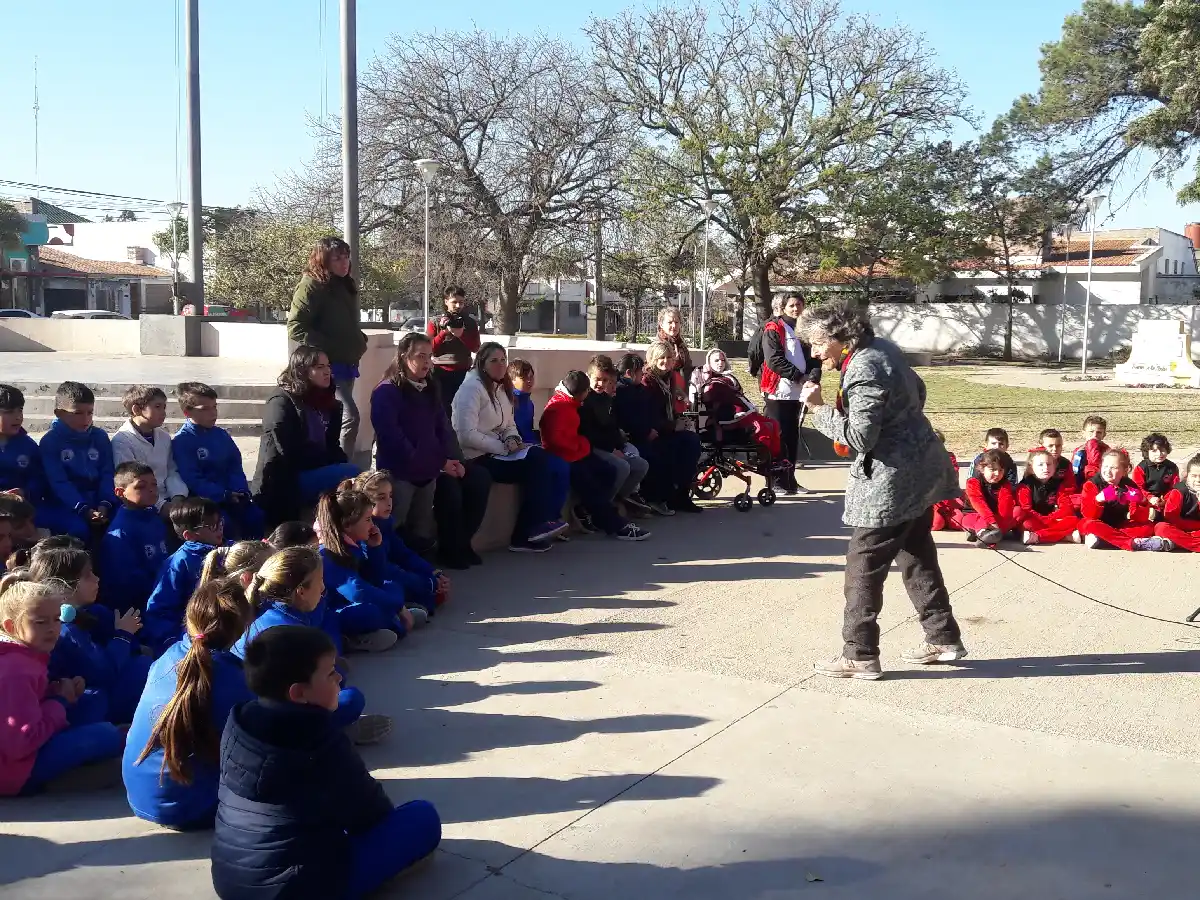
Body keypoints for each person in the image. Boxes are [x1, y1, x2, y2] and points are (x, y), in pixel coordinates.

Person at [798, 301, 966, 680]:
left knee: (863, 566)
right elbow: (919, 391)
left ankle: (859, 654)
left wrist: (819, 408)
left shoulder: (863, 366)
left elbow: (860, 436)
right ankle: (943, 638)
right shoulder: (884, 348)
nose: (815, 352)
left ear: (840, 337)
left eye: (818, 342)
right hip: (921, 469)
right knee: (916, 554)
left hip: (893, 482)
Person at [210, 626, 441, 900]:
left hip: (229, 879)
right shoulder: (321, 745)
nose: (339, 678)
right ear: (298, 693)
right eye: (330, 673)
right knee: (423, 817)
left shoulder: (238, 724)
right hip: (300, 888)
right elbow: (374, 816)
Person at [123, 579, 255, 829]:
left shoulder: (168, 656)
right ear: (243, 626)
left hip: (141, 797)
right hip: (191, 808)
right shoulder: (233, 678)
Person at [233, 546, 391, 746]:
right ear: (300, 591)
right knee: (351, 698)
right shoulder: (293, 635)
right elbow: (310, 692)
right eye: (320, 582)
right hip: (271, 723)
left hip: (255, 712)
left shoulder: (273, 611)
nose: (324, 589)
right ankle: (334, 736)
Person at [371, 332, 490, 568]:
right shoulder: (386, 392)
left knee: (421, 533)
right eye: (420, 356)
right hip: (400, 473)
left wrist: (454, 460)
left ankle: (423, 574)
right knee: (393, 528)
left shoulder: (430, 388)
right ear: (404, 357)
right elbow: (394, 440)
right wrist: (438, 463)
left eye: (430, 356)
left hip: (428, 474)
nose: (427, 362)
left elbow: (443, 429)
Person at [0, 573, 124, 796]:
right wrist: (59, 701)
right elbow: (19, 743)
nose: (52, 628)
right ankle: (53, 780)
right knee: (106, 735)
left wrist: (55, 691)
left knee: (93, 699)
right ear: (10, 626)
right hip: (13, 771)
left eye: (56, 619)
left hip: (27, 747)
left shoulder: (27, 655)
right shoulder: (15, 670)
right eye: (40, 622)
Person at [452, 342, 569, 552]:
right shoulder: (471, 389)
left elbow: (509, 424)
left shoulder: (502, 388)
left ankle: (533, 527)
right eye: (494, 361)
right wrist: (502, 447)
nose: (500, 365)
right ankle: (527, 531)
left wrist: (512, 439)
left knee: (539, 457)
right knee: (536, 462)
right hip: (476, 457)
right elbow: (465, 435)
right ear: (482, 363)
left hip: (498, 453)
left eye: (503, 360)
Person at [35, 546, 152, 725]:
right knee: (142, 669)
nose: (97, 579)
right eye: (88, 575)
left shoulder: (89, 612)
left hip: (94, 691)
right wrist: (123, 635)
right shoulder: (65, 629)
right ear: (64, 587)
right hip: (77, 706)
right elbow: (104, 673)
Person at [253, 346, 359, 529]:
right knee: (353, 473)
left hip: (316, 468)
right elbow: (285, 451)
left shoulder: (330, 404)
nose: (327, 371)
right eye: (319, 367)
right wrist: (331, 466)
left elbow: (332, 446)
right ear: (303, 371)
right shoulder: (281, 401)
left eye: (328, 366)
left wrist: (338, 463)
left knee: (358, 479)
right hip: (286, 478)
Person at [541, 370, 651, 542]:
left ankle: (593, 511)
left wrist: (581, 446)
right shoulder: (559, 408)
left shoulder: (572, 403)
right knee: (589, 482)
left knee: (609, 471)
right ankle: (614, 523)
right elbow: (556, 440)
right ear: (582, 392)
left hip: (576, 453)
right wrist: (581, 446)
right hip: (564, 457)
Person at [286, 236, 368, 461]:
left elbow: (345, 323)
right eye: (337, 259)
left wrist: (358, 340)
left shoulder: (344, 284)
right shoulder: (312, 284)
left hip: (348, 364)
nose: (344, 263)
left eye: (346, 257)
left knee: (338, 419)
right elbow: (295, 326)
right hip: (326, 367)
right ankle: (343, 471)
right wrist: (326, 350)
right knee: (350, 417)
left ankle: (340, 468)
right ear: (323, 260)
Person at [317, 485, 417, 651]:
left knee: (392, 585)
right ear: (347, 525)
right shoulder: (327, 554)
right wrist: (398, 606)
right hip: (334, 612)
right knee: (370, 612)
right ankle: (352, 639)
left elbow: (375, 579)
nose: (372, 525)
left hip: (351, 603)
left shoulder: (355, 544)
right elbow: (357, 592)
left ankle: (394, 619)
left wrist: (375, 549)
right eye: (367, 519)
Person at [173, 382, 265, 540]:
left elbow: (234, 465)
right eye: (205, 409)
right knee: (223, 524)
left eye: (214, 407)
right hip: (207, 501)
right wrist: (223, 495)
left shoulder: (221, 435)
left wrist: (240, 490)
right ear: (187, 412)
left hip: (233, 494)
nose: (213, 413)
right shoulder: (183, 441)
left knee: (256, 516)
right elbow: (193, 478)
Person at [354, 470, 448, 613]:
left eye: (390, 496)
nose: (389, 502)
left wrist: (432, 573)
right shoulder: (363, 532)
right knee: (398, 588)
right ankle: (403, 609)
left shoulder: (385, 524)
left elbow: (403, 554)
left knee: (432, 585)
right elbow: (381, 571)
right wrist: (427, 583)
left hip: (387, 575)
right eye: (381, 497)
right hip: (374, 581)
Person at [143, 498, 226, 655]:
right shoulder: (178, 563)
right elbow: (159, 609)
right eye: (212, 526)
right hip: (194, 637)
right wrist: (173, 643)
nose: (219, 529)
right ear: (189, 535)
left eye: (220, 522)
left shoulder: (229, 550)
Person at [759, 292, 822, 495]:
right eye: (792, 305)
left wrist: (812, 377)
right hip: (778, 392)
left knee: (792, 437)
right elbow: (774, 360)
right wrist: (799, 376)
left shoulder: (805, 330)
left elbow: (815, 359)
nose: (796, 309)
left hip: (799, 393)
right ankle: (775, 480)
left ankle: (790, 480)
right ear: (784, 307)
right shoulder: (773, 328)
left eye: (799, 305)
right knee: (778, 437)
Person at [630, 342, 704, 515]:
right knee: (669, 449)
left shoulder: (669, 377)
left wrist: (679, 421)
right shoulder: (647, 380)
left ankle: (682, 495)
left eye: (669, 357)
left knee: (692, 442)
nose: (665, 361)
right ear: (653, 359)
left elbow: (669, 409)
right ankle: (662, 497)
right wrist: (672, 426)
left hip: (667, 427)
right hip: (652, 431)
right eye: (661, 358)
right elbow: (648, 413)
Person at [37, 381, 116, 541]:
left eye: (90, 412)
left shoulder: (99, 437)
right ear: (59, 413)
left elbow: (107, 472)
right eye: (78, 413)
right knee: (79, 530)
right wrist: (83, 509)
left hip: (99, 501)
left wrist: (104, 503)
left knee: (125, 522)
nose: (86, 419)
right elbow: (59, 482)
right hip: (65, 505)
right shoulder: (51, 441)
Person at [579, 356, 651, 512]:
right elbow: (588, 433)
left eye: (605, 381)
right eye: (597, 379)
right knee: (622, 467)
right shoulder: (585, 399)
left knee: (641, 465)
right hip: (591, 448)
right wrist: (612, 449)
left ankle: (615, 501)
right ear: (589, 376)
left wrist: (619, 444)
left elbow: (611, 427)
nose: (601, 384)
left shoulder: (606, 399)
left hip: (608, 446)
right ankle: (599, 508)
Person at [508, 358, 570, 534]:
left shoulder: (530, 402)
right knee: (555, 466)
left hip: (531, 446)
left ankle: (553, 517)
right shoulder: (510, 402)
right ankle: (546, 519)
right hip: (516, 450)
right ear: (512, 380)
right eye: (524, 377)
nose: (529, 381)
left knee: (563, 465)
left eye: (531, 377)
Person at [98, 462, 170, 611]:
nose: (151, 490)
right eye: (140, 486)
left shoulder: (154, 517)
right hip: (141, 606)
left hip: (163, 591)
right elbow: (127, 583)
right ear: (120, 492)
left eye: (154, 485)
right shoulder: (120, 533)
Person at [694, 348, 784, 461]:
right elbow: (714, 399)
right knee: (761, 427)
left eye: (722, 360)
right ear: (709, 363)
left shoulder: (729, 378)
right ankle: (764, 458)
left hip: (744, 413)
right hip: (728, 417)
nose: (720, 363)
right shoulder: (712, 383)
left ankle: (775, 458)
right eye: (716, 361)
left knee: (774, 424)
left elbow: (740, 396)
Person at [111, 386, 189, 514]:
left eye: (164, 407)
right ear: (136, 410)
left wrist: (177, 496)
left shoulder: (163, 437)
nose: (163, 412)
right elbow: (130, 483)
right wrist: (162, 506)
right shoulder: (122, 441)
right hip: (143, 503)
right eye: (157, 407)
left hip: (170, 499)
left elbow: (172, 470)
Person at [1079, 448, 1171, 551]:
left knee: (1147, 527)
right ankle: (1136, 544)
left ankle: (1103, 541)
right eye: (1105, 466)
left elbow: (1139, 518)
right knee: (1088, 524)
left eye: (1113, 468)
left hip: (1118, 525)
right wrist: (1098, 500)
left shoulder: (1128, 485)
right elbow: (1088, 515)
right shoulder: (1091, 484)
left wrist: (1143, 502)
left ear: (1124, 470)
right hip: (1098, 524)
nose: (1108, 471)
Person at [427, 284, 482, 413]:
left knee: (464, 410)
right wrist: (443, 333)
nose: (458, 306)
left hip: (463, 373)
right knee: (441, 411)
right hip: (439, 374)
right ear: (446, 302)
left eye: (461, 302)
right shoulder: (435, 322)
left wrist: (462, 335)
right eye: (454, 302)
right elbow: (429, 349)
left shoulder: (470, 322)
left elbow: (475, 348)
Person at [1017, 448, 1080, 546]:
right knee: (1026, 524)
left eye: (1049, 464)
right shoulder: (1025, 485)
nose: (1046, 468)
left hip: (1051, 519)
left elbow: (1065, 507)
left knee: (1073, 520)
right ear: (1031, 467)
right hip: (1034, 519)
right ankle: (1064, 536)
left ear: (1055, 467)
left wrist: (1050, 518)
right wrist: (1043, 519)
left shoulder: (1058, 484)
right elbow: (1026, 509)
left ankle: (1038, 537)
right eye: (1040, 465)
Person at [962, 450, 1022, 547]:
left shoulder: (1005, 484)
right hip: (975, 514)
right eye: (993, 469)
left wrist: (1000, 523)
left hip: (996, 518)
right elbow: (978, 502)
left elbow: (1005, 507)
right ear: (982, 469)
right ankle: (984, 534)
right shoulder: (973, 482)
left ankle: (989, 534)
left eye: (1001, 470)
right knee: (980, 520)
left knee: (1018, 511)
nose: (997, 473)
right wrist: (992, 522)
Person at [0, 384, 45, 507]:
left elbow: (38, 479)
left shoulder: (28, 446)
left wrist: (24, 493)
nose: (17, 417)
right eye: (9, 412)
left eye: (20, 410)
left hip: (21, 507)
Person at [1154, 453, 1200, 552]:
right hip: (1179, 527)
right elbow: (1170, 517)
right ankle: (1193, 544)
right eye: (1194, 476)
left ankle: (1177, 543)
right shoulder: (1179, 491)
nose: (1198, 480)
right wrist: (1192, 526)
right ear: (1187, 476)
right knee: (1161, 528)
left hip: (1197, 530)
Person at [1132, 432, 1179, 521]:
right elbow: (1137, 487)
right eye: (1154, 451)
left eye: (1162, 450)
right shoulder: (1141, 468)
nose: (1159, 454)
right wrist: (1149, 498)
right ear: (1147, 452)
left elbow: (1175, 487)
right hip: (1146, 499)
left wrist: (1165, 499)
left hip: (1165, 500)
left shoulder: (1172, 467)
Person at [656, 306, 694, 402]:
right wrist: (672, 363)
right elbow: (657, 373)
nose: (674, 326)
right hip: (666, 393)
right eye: (670, 322)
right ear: (661, 324)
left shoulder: (681, 344)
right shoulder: (658, 346)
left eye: (677, 322)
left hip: (683, 392)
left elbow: (688, 367)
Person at [930, 430, 964, 532]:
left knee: (958, 523)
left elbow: (953, 475)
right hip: (932, 501)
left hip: (949, 499)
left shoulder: (950, 457)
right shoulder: (922, 459)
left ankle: (946, 518)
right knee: (937, 525)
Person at [1071, 415, 1110, 483]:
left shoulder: (1107, 450)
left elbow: (1096, 464)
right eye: (1091, 432)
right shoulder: (1079, 450)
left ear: (1104, 435)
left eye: (1099, 432)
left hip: (1100, 482)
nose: (1095, 435)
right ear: (1084, 433)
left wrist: (1092, 445)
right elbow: (1073, 470)